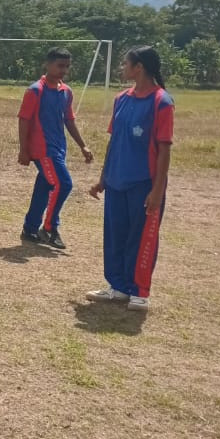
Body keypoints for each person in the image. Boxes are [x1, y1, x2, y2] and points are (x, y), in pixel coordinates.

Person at [87, 47, 174, 311]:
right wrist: (103, 177)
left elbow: (164, 149)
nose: (121, 68)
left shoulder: (161, 102)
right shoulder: (121, 99)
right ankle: (118, 287)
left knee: (141, 236)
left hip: (143, 183)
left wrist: (157, 190)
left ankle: (139, 291)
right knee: (115, 235)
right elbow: (115, 141)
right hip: (116, 181)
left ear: (139, 68)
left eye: (125, 64)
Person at [18, 49, 94, 251]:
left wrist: (82, 145)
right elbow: (24, 120)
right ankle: (50, 227)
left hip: (59, 148)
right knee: (64, 184)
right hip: (42, 150)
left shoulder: (66, 92)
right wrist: (23, 150)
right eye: (60, 65)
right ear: (47, 64)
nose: (64, 70)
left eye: (67, 66)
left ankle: (30, 228)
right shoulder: (35, 91)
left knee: (44, 188)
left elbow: (68, 119)